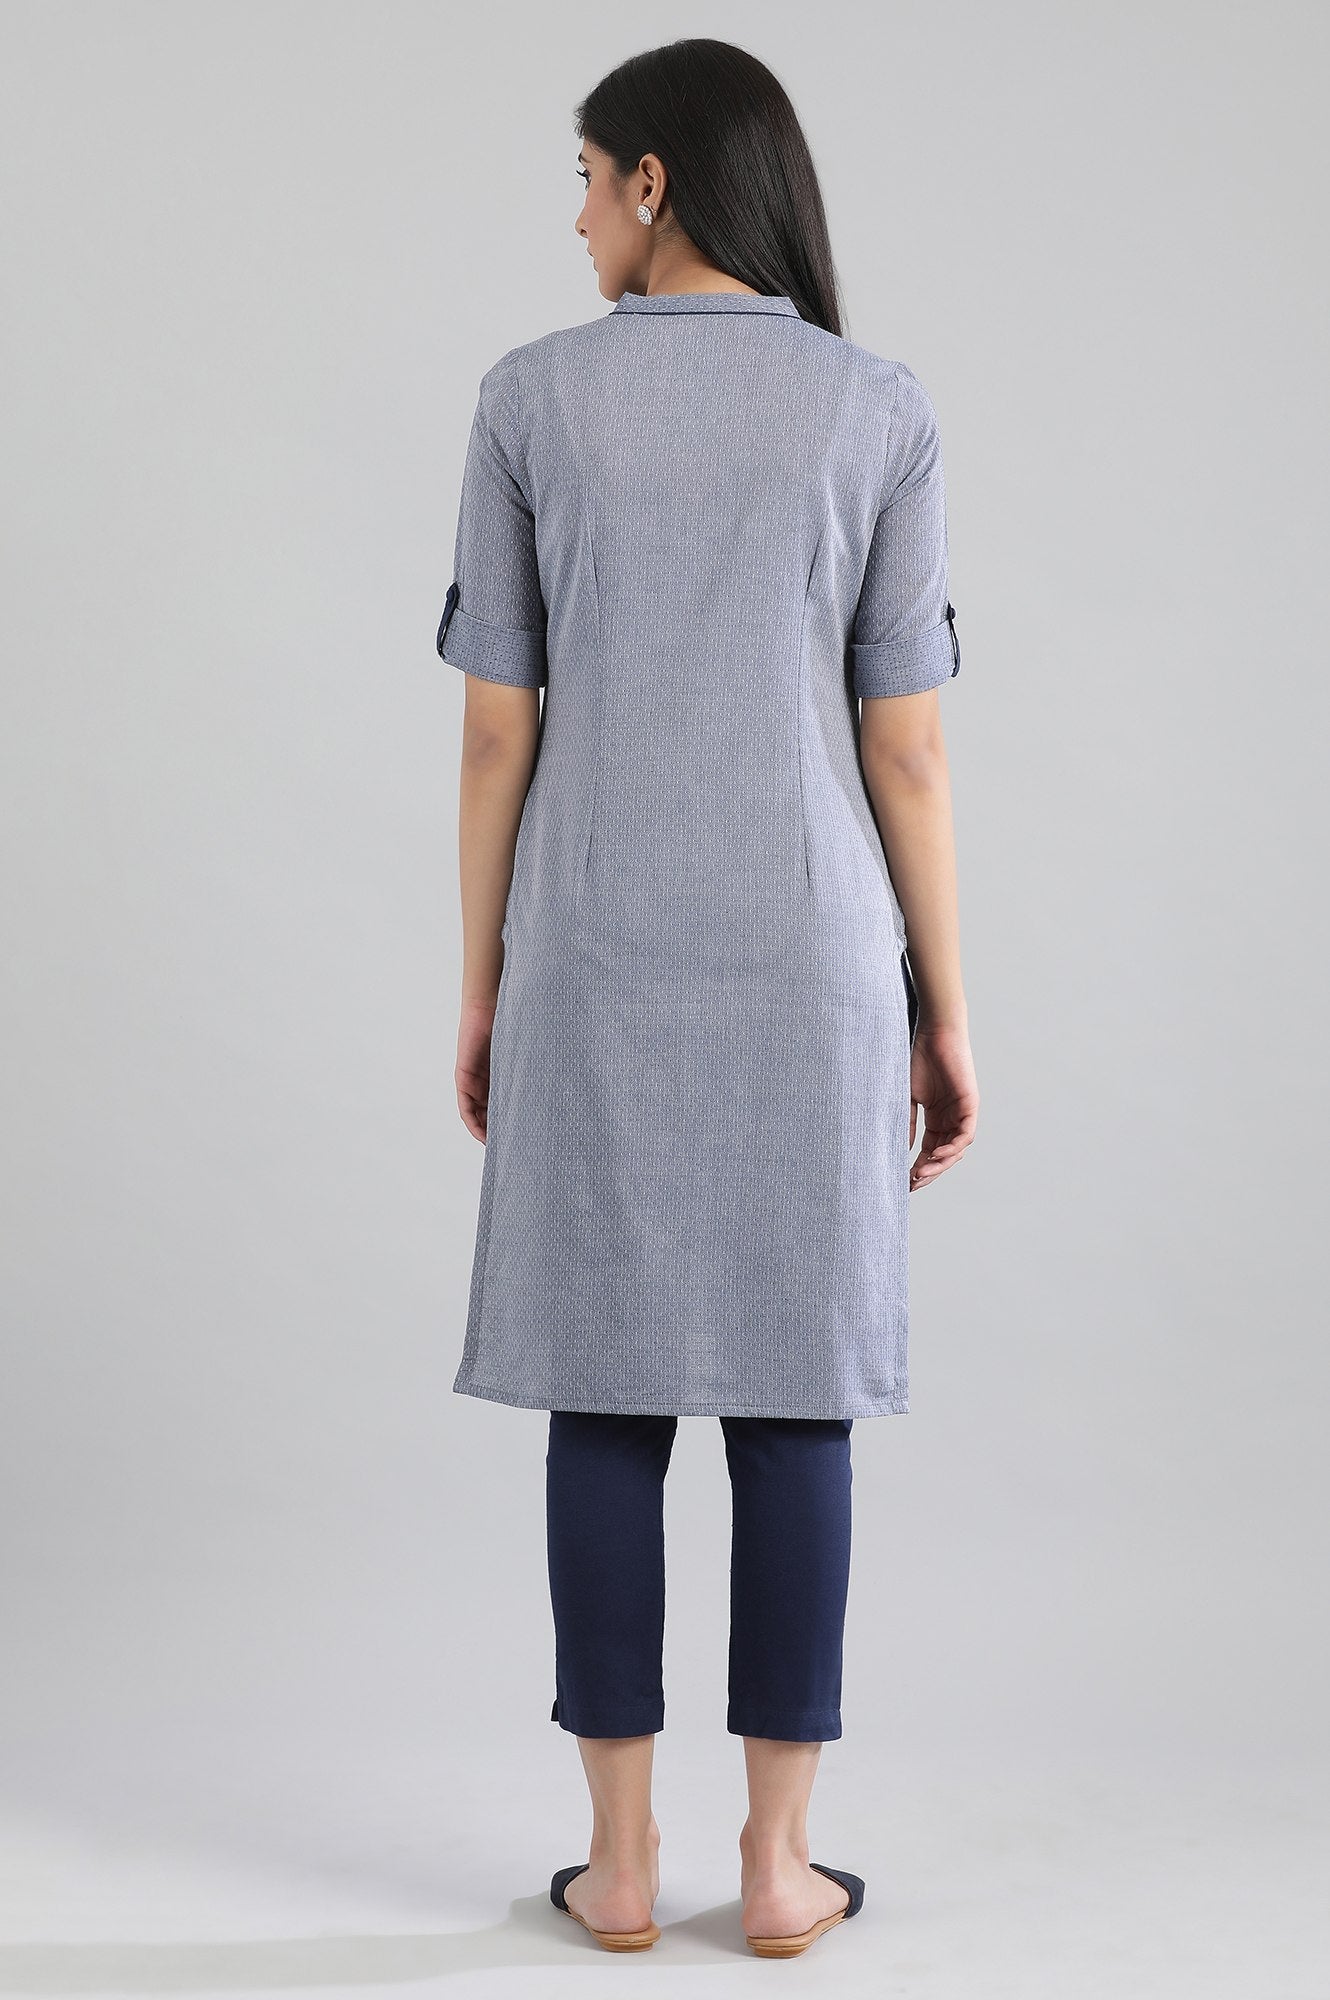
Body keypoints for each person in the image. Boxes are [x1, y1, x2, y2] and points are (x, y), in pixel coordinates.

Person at [436, 36, 978, 1960]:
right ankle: (774, 1866)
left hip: (590, 951)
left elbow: (496, 733)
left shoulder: (529, 399)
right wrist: (943, 1011)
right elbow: (903, 748)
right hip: (815, 965)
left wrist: (485, 982)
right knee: (793, 1398)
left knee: (604, 1393)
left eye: (586, 178)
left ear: (655, 182)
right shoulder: (875, 408)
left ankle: (614, 1866)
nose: (576, 215)